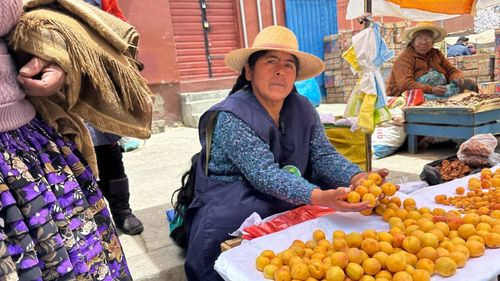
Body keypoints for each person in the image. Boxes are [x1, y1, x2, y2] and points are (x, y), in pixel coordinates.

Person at [180, 26, 393, 281]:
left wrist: (356, 176)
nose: (280, 70)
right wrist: (317, 196)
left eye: (288, 65)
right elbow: (264, 174)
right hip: (232, 207)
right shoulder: (231, 116)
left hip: (283, 201)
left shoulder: (302, 108)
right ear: (249, 71)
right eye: (271, 62)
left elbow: (322, 155)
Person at [1, 0, 133, 279]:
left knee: (110, 151)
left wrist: (55, 51)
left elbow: (104, 26)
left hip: (37, 125)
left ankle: (123, 209)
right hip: (37, 129)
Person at [82, 0, 144, 235]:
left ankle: (122, 210)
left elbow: (120, 27)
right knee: (75, 156)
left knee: (109, 151)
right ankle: (92, 215)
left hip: (100, 82)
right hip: (60, 89)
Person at [386, 22, 477, 101]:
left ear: (433, 42)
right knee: (423, 99)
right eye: (419, 39)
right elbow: (405, 84)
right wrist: (432, 89)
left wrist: (457, 77)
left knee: (469, 84)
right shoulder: (405, 58)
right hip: (409, 94)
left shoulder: (436, 54)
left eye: (428, 39)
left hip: (439, 91)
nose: (424, 42)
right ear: (413, 42)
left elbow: (451, 70)